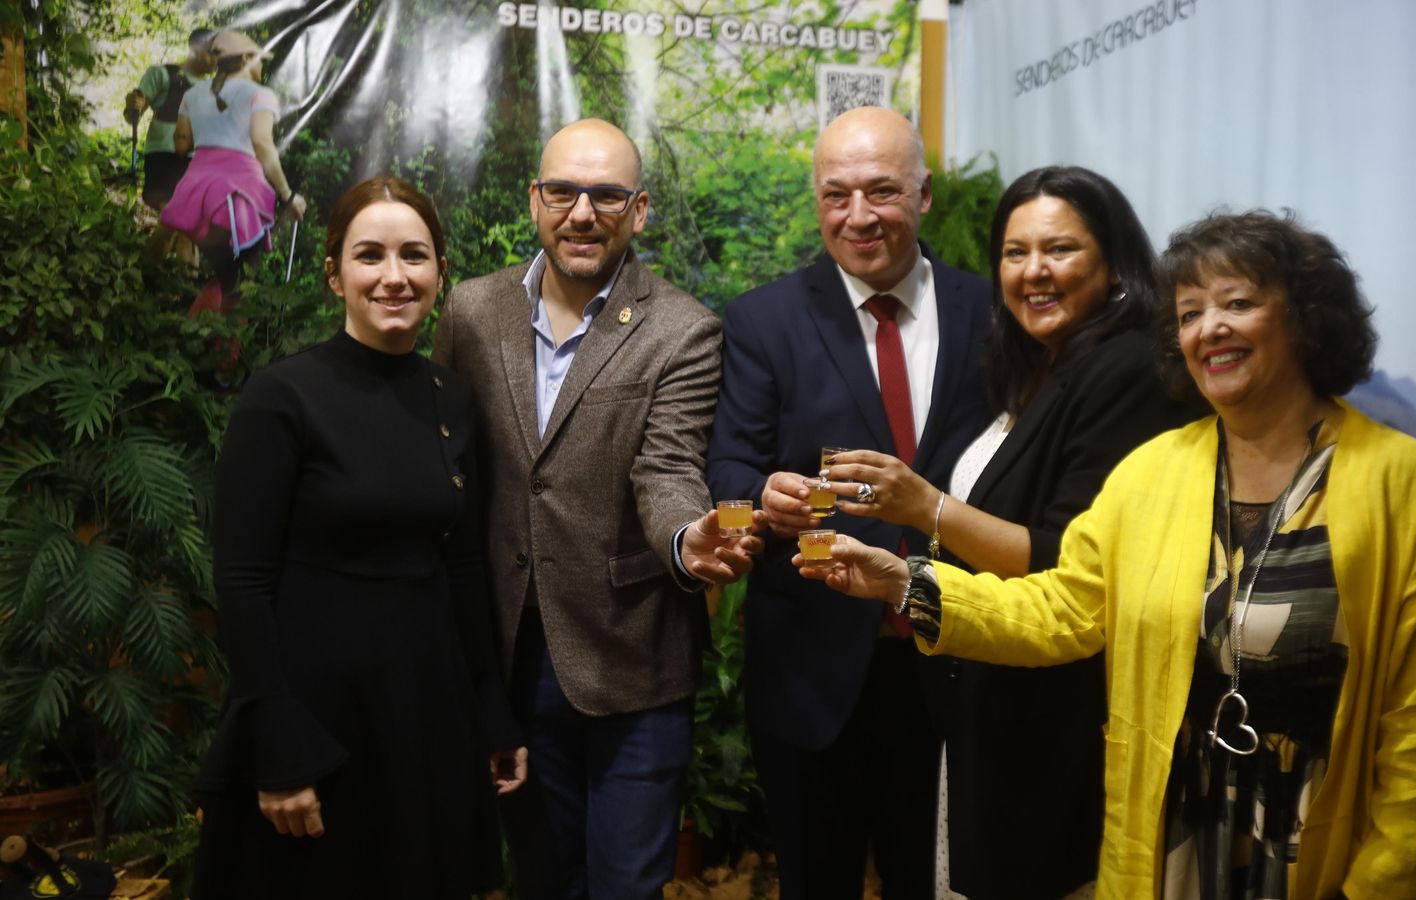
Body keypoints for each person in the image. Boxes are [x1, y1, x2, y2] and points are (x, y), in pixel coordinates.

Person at [804, 210, 1416, 899]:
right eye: (1189, 313)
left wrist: (1384, 884)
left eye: (1239, 303)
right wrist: (906, 584)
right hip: (1172, 846)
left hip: (1322, 855)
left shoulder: (1402, 481)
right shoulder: (1152, 472)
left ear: (1306, 319)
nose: (1208, 328)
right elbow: (1062, 608)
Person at [821, 165, 1202, 899]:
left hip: (1054, 718)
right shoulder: (1044, 367)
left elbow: (1062, 563)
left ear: (1115, 264)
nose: (1033, 272)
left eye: (1059, 250)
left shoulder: (1128, 371)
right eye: (1014, 252)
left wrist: (922, 506)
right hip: (988, 710)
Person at [432, 117, 763, 900]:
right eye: (564, 192)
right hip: (510, 657)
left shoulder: (683, 329)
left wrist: (688, 541)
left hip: (632, 658)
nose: (583, 213)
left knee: (625, 886)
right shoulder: (471, 313)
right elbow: (447, 470)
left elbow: (669, 468)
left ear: (639, 210)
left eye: (607, 195)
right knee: (544, 878)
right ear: (535, 200)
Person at [191, 176, 527, 899]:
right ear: (334, 274)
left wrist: (490, 710)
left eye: (415, 256)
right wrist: (275, 744)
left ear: (441, 272)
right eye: (369, 256)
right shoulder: (281, 397)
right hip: (317, 718)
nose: (394, 277)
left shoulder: (452, 399)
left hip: (425, 713)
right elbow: (243, 585)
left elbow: (464, 565)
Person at [705, 105, 992, 898]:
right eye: (836, 195)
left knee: (935, 879)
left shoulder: (991, 313)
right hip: (812, 667)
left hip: (956, 656)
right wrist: (758, 498)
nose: (858, 216)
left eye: (881, 191)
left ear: (924, 194)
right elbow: (726, 466)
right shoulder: (764, 320)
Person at [160, 29, 306, 315]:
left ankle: (200, 331)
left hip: (196, 193)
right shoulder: (260, 95)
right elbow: (262, 143)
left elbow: (181, 143)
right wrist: (288, 196)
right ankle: (222, 348)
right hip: (239, 195)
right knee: (238, 282)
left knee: (224, 275)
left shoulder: (192, 94)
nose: (262, 67)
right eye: (260, 60)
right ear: (246, 59)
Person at [123, 26, 213, 264]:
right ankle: (149, 271)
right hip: (164, 157)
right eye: (211, 52)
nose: (216, 59)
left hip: (195, 162)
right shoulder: (163, 75)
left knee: (189, 226)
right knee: (175, 215)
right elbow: (135, 112)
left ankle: (180, 285)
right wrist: (134, 106)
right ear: (195, 48)